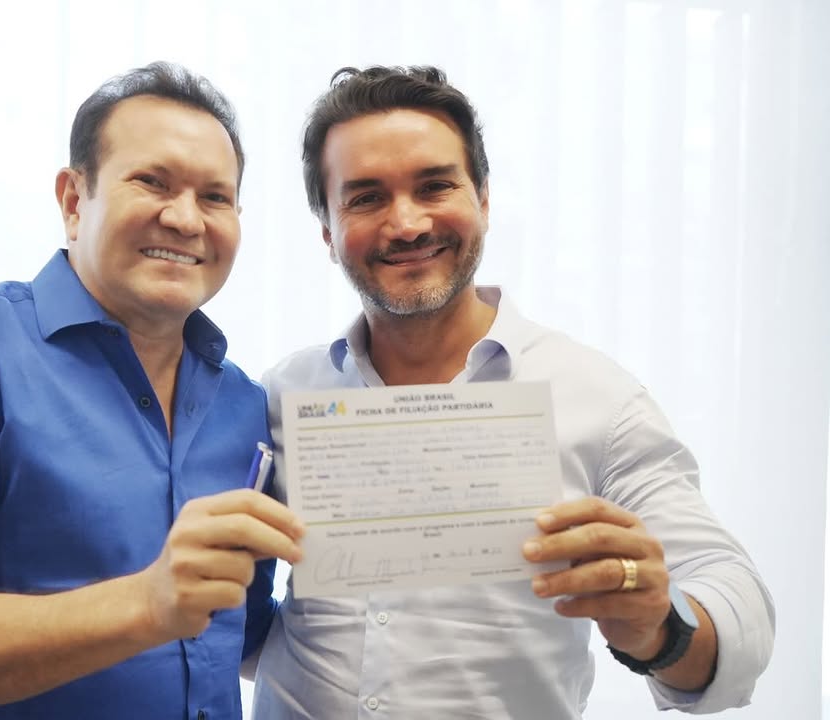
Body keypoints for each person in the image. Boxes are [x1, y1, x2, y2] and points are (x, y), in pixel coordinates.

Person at [250, 65, 774, 718]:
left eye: (435, 186)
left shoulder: (596, 399)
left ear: (484, 200)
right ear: (328, 231)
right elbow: (234, 619)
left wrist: (659, 627)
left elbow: (740, 605)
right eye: (366, 198)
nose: (407, 223)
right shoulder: (280, 396)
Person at [0, 61, 303, 720]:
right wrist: (147, 603)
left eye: (215, 197)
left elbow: (234, 631)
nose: (185, 218)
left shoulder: (244, 405)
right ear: (75, 201)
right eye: (152, 182)